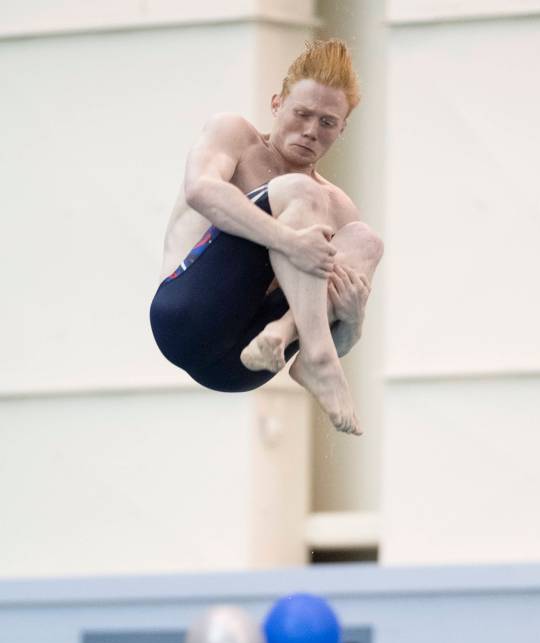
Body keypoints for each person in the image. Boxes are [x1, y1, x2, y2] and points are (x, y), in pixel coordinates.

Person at [150, 38, 383, 436]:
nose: (310, 131)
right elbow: (200, 190)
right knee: (302, 193)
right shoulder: (234, 135)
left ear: (342, 129)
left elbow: (337, 335)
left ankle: (302, 349)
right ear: (277, 104)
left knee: (364, 240)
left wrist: (354, 319)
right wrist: (290, 241)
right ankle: (320, 358)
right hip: (187, 319)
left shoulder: (337, 207)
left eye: (327, 123)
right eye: (302, 114)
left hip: (243, 367)